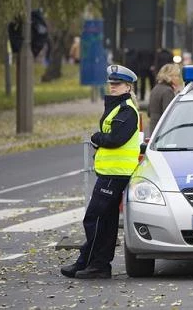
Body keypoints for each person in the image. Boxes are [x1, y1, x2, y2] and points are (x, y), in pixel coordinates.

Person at [60, 65, 140, 279]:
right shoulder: (118, 107)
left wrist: (97, 137)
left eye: (117, 84)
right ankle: (93, 263)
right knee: (105, 222)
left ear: (128, 87)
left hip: (116, 174)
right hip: (110, 173)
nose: (112, 88)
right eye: (111, 84)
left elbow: (115, 138)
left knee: (93, 219)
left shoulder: (127, 110)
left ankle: (95, 264)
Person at [148, 63, 181, 136]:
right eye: (176, 76)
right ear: (169, 76)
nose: (178, 78)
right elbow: (169, 115)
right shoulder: (168, 91)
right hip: (163, 132)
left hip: (153, 129)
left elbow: (149, 112)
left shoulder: (155, 88)